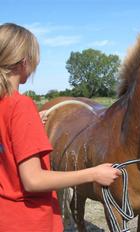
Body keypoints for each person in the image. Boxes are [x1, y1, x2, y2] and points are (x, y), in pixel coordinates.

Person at [0, 23, 121, 232]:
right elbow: (33, 180)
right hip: (29, 222)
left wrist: (29, 124)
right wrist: (93, 173)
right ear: (24, 62)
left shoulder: (9, 107)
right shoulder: (21, 106)